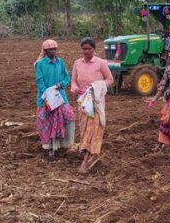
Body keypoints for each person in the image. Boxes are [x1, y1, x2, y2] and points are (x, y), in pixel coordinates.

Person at [70, 37, 114, 173]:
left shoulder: (101, 63)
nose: (86, 51)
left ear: (94, 49)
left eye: (89, 49)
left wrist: (95, 87)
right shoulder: (77, 63)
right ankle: (91, 152)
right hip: (83, 102)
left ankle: (87, 158)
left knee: (94, 129)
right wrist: (75, 89)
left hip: (96, 102)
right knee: (84, 128)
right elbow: (73, 82)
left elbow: (110, 79)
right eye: (84, 49)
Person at [34, 39, 76, 157]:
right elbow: (39, 81)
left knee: (69, 117)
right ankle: (49, 148)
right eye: (50, 50)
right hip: (45, 99)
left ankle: (64, 144)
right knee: (47, 121)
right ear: (45, 51)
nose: (53, 51)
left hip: (60, 97)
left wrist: (61, 84)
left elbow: (66, 77)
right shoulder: (40, 64)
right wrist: (48, 94)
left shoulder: (60, 62)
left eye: (55, 49)